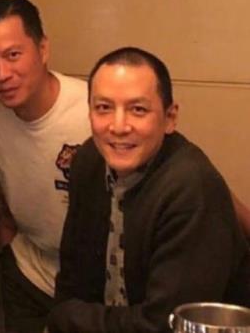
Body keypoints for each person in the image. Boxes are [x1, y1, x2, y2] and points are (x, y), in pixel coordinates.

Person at [47, 47, 250, 333]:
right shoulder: (88, 161)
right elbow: (72, 282)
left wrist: (69, 317)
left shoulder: (191, 186)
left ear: (170, 118)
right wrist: (65, 316)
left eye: (138, 110)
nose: (119, 126)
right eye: (104, 108)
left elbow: (166, 324)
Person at [0, 0, 91, 333]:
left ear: (43, 49)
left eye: (13, 55)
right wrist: (8, 253)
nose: (2, 74)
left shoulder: (92, 110)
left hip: (93, 287)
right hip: (29, 276)